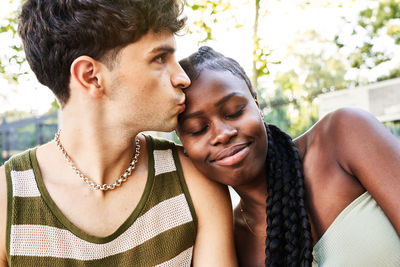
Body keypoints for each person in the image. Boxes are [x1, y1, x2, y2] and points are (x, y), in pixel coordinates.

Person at [0, 2, 237, 266]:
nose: (183, 78)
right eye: (160, 57)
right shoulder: (6, 200)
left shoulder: (194, 180)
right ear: (91, 76)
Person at [176, 46, 400, 267]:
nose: (222, 135)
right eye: (198, 129)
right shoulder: (228, 245)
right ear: (184, 145)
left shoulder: (343, 135)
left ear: (256, 104)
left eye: (234, 111)